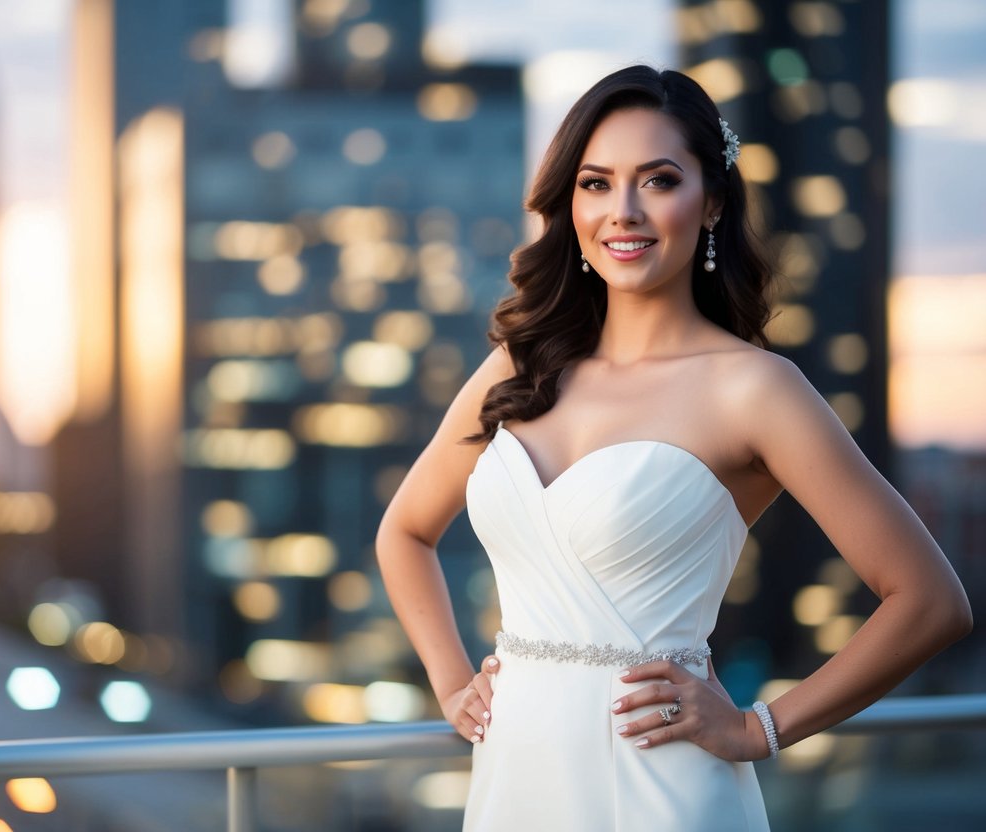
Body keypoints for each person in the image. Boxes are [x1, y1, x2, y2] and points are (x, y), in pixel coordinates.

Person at [375, 65, 972, 831]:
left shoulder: (753, 389)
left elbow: (929, 601)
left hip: (661, 787)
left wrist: (759, 728)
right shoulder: (518, 367)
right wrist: (452, 682)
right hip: (512, 784)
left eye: (657, 181)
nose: (622, 211)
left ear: (712, 201)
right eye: (595, 183)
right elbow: (405, 532)